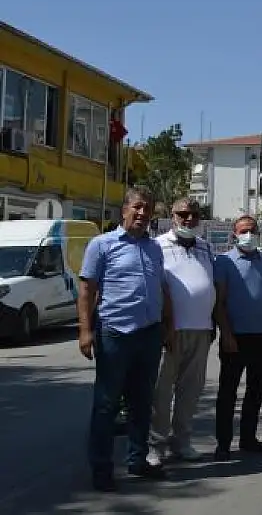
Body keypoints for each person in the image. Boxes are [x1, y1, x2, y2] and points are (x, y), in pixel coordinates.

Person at [79, 186, 172, 491]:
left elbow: (161, 288)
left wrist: (165, 327)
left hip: (148, 334)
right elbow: (87, 291)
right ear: (125, 210)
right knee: (106, 405)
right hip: (115, 333)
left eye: (148, 209)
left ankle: (137, 459)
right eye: (138, 207)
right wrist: (85, 331)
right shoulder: (101, 245)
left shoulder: (154, 247)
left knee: (142, 403)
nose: (143, 214)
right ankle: (102, 469)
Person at [149, 198, 217, 465]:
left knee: (191, 391)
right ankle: (156, 446)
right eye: (182, 214)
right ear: (172, 215)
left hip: (201, 330)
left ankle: (182, 442)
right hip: (170, 332)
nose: (188, 219)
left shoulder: (206, 247)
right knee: (161, 392)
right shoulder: (157, 246)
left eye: (194, 215)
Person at [213, 215, 262, 460]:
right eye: (244, 231)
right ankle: (223, 443)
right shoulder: (223, 262)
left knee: (256, 391)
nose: (249, 235)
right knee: (228, 392)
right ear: (234, 234)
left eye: (252, 230)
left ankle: (248, 438)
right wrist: (227, 334)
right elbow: (219, 302)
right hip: (235, 338)